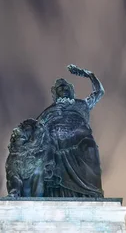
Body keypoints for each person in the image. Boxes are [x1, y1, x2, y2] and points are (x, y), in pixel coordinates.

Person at [36, 65, 105, 197]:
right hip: (56, 145)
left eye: (65, 87)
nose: (63, 89)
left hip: (80, 140)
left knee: (90, 146)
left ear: (71, 90)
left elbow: (99, 92)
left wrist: (89, 74)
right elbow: (36, 129)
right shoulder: (48, 111)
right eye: (60, 88)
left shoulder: (81, 104)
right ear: (55, 93)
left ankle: (91, 192)